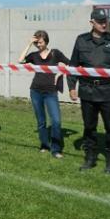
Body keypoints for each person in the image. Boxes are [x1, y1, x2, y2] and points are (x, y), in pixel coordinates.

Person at [68, 8, 110, 174]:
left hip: (108, 90)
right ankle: (90, 157)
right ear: (92, 22)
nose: (104, 24)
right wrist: (72, 87)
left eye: (105, 21)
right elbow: (73, 66)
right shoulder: (81, 40)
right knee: (89, 126)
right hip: (87, 90)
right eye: (100, 21)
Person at [19, 30, 70, 158]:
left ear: (46, 41)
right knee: (41, 121)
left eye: (40, 42)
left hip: (51, 92)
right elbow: (20, 61)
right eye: (36, 43)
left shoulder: (55, 53)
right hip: (35, 91)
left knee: (56, 121)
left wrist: (60, 73)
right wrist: (29, 44)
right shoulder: (34, 55)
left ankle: (56, 149)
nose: (39, 45)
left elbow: (70, 64)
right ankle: (44, 145)